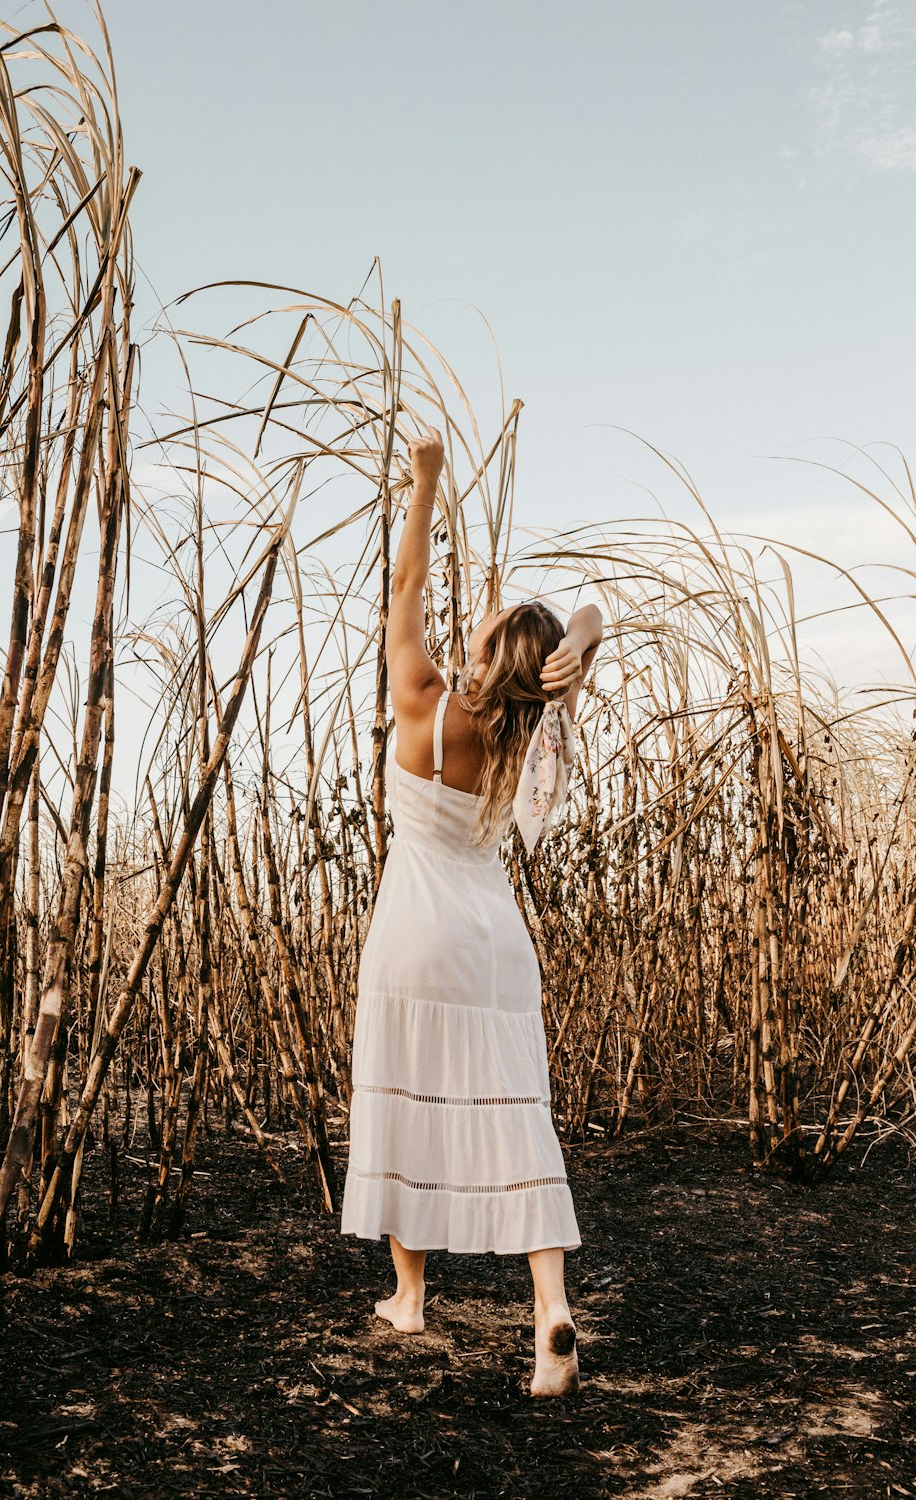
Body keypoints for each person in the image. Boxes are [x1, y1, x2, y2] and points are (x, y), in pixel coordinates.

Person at [339, 423, 604, 1398]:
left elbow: (403, 586)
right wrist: (576, 642)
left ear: (488, 647)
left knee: (405, 1101)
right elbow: (589, 611)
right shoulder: (537, 741)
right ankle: (550, 1310)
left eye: (488, 623)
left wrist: (425, 482)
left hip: (413, 935)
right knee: (514, 1117)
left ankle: (408, 1298)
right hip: (494, 943)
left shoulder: (423, 702)